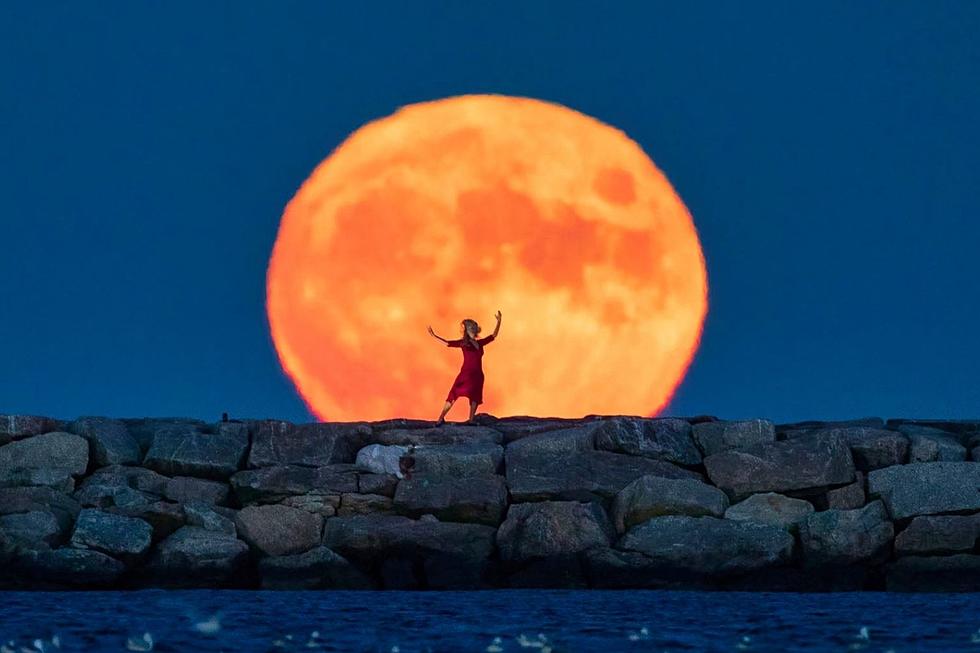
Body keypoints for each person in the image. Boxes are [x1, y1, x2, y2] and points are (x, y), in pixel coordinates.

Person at [427, 310, 502, 424]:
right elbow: (448, 343)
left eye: (474, 329)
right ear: (467, 331)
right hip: (466, 374)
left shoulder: (480, 343)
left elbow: (493, 336)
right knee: (454, 394)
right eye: (471, 329)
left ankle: (471, 419)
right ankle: (440, 418)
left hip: (477, 375)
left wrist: (499, 321)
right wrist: (434, 336)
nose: (473, 331)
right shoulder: (463, 343)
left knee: (475, 396)